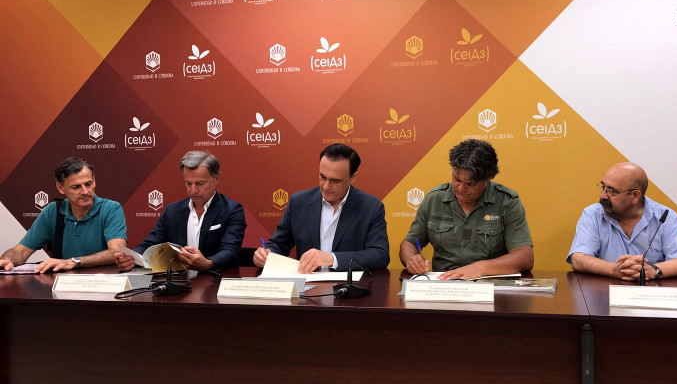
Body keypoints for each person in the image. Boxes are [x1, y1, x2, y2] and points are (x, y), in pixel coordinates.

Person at [399, 139, 533, 279]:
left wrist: (482, 267)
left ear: (487, 179)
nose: (461, 188)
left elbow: (525, 257)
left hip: (491, 285)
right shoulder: (434, 199)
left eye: (470, 183)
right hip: (444, 285)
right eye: (456, 179)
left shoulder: (507, 201)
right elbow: (409, 244)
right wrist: (412, 258)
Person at [253, 143, 389, 273]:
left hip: (349, 290)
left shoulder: (371, 207)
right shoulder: (299, 202)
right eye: (322, 177)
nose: (325, 186)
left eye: (335, 181)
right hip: (307, 289)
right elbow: (278, 245)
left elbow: (380, 255)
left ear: (352, 178)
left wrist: (332, 259)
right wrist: (266, 254)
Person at [115, 151, 246, 272]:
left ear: (216, 179)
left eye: (200, 184)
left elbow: (230, 250)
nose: (193, 190)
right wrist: (131, 258)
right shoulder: (172, 211)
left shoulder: (232, 210)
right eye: (188, 183)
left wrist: (208, 263)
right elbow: (150, 244)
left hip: (215, 281)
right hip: (179, 282)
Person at [567, 162, 677, 281]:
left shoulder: (665, 217)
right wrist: (615, 270)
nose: (603, 196)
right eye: (603, 187)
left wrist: (652, 271)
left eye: (611, 191)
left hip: (651, 295)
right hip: (603, 294)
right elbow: (578, 259)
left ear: (635, 196)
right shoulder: (593, 214)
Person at [0, 157, 127, 273]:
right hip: (62, 286)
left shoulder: (111, 208)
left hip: (104, 283)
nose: (85, 191)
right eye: (76, 187)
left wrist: (73, 262)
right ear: (61, 188)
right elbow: (21, 251)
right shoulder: (52, 211)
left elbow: (117, 252)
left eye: (88, 184)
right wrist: (7, 260)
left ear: (94, 181)